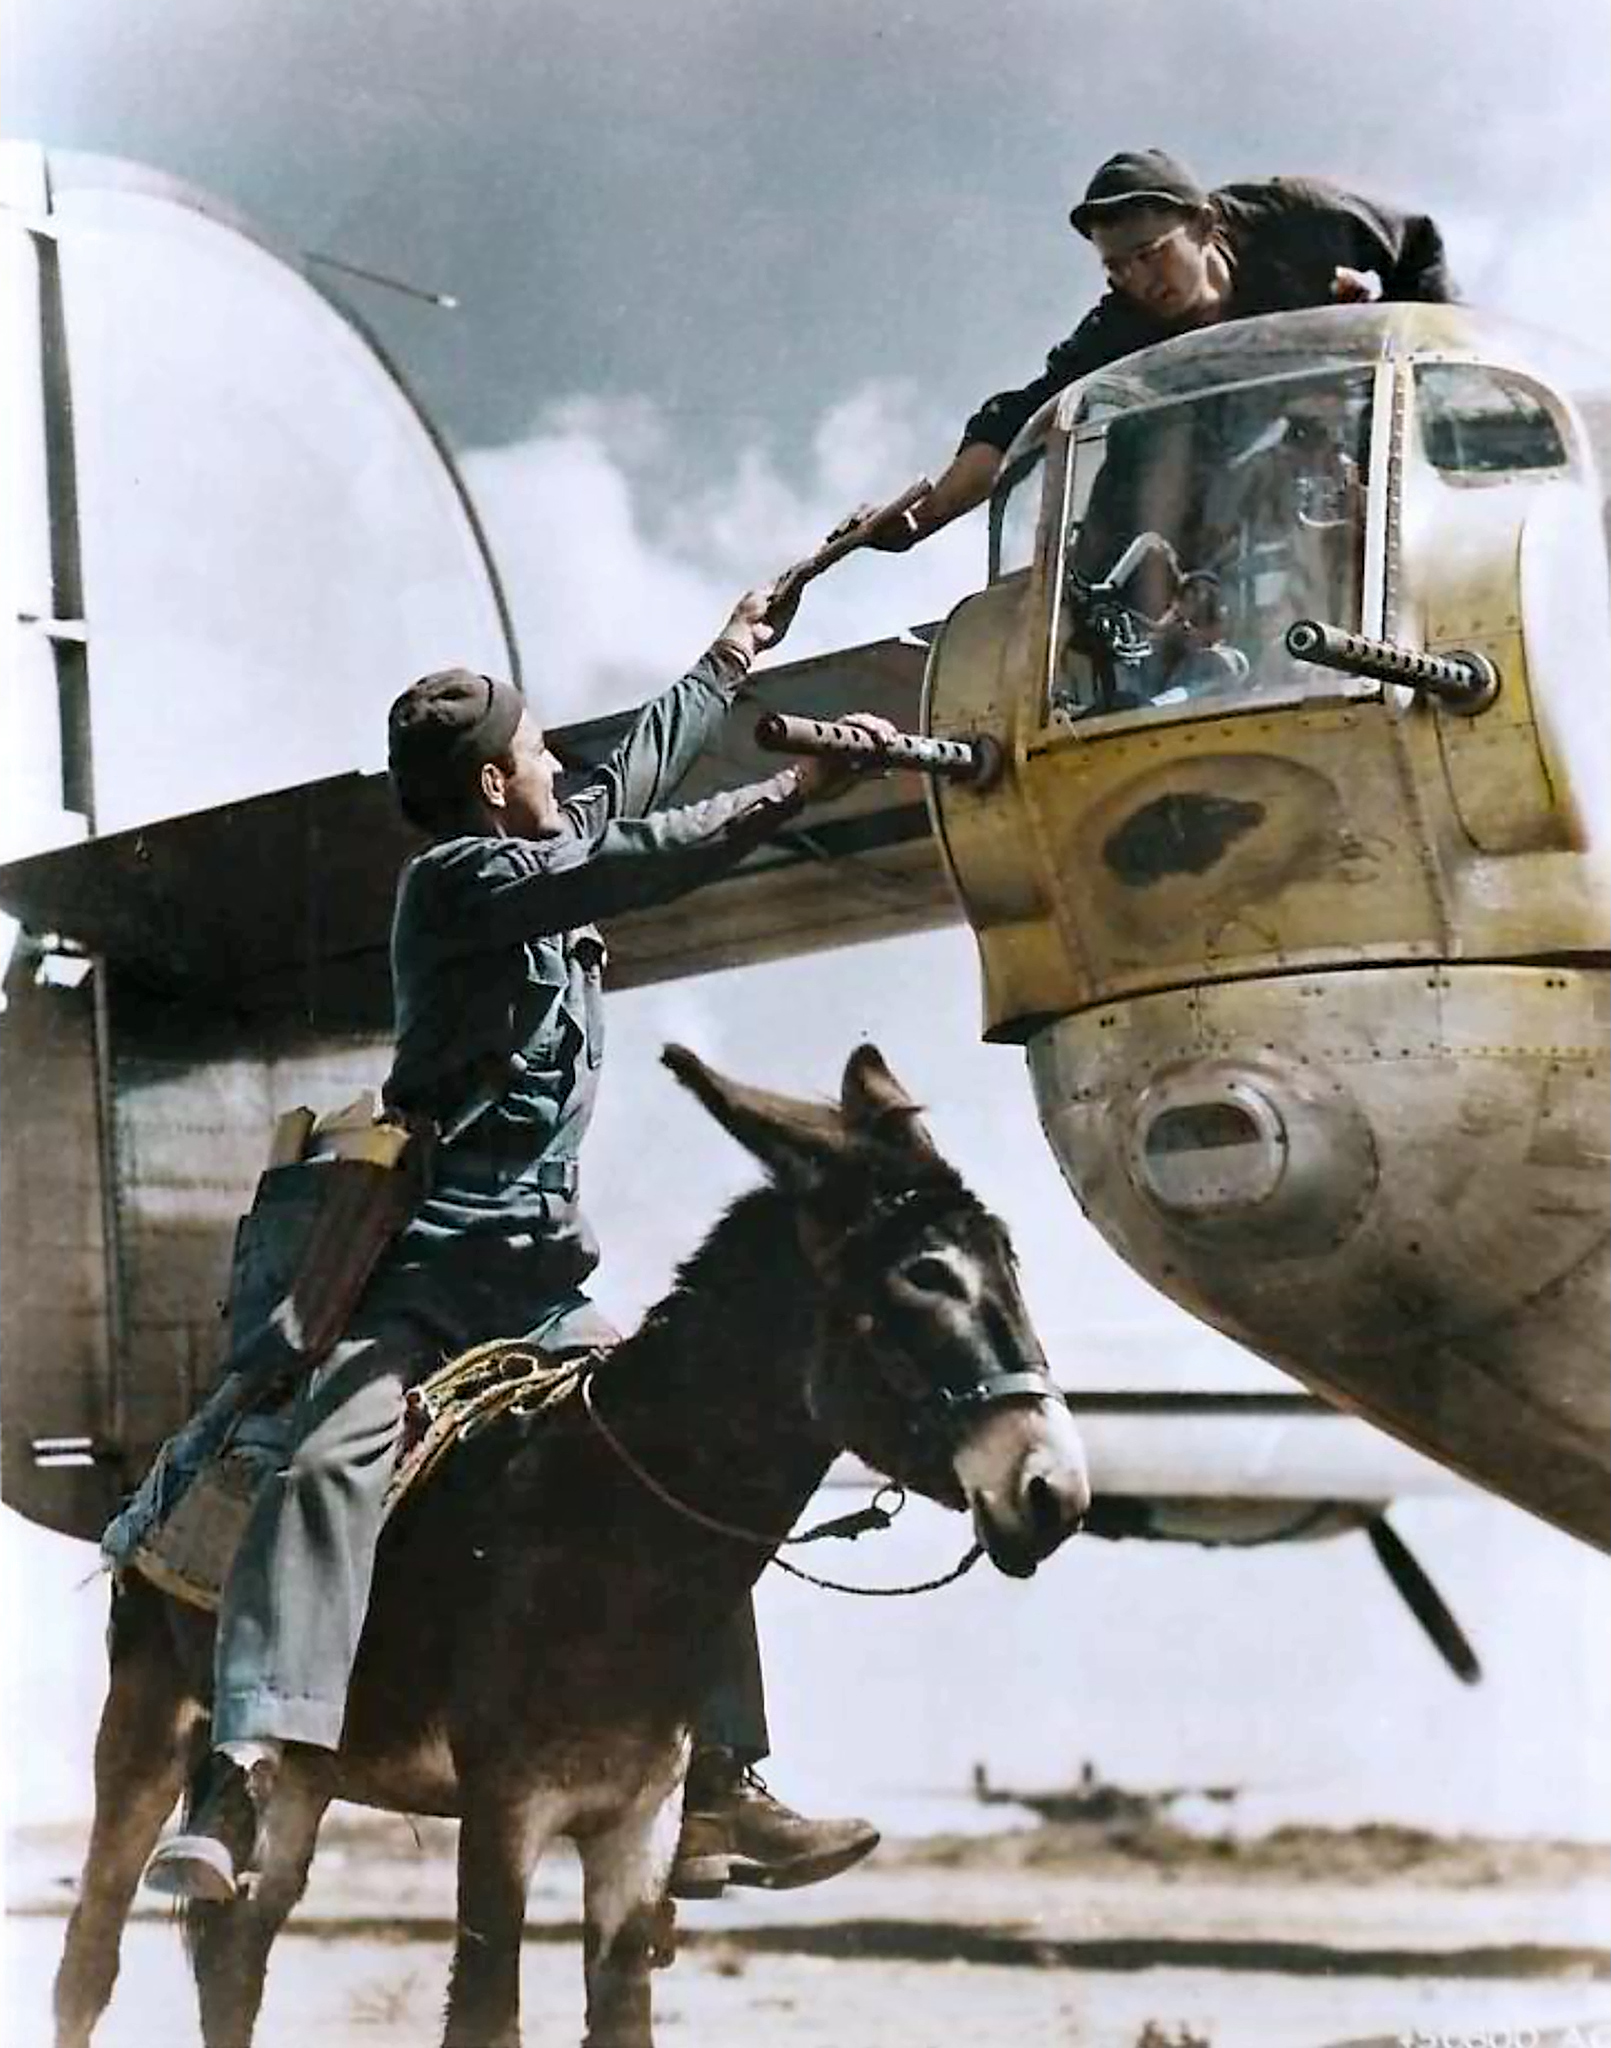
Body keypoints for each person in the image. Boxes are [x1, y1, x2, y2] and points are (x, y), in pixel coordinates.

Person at [142, 585, 889, 1906]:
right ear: (494, 785)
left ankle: (717, 1777)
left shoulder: (525, 833)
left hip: (543, 1286)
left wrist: (729, 654)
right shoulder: (461, 882)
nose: (562, 768)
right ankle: (246, 1768)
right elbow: (624, 851)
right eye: (540, 752)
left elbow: (622, 779)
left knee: (694, 1444)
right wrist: (787, 798)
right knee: (325, 1463)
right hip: (423, 1282)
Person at [865, 146, 1456, 550]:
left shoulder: (1295, 216)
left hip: (1343, 397)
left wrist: (1435, 382)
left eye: (1150, 254)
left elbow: (1417, 244)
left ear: (1203, 225)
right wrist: (926, 516)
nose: (1138, 280)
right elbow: (1019, 418)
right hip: (1232, 448)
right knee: (1130, 478)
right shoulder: (1121, 322)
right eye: (1117, 266)